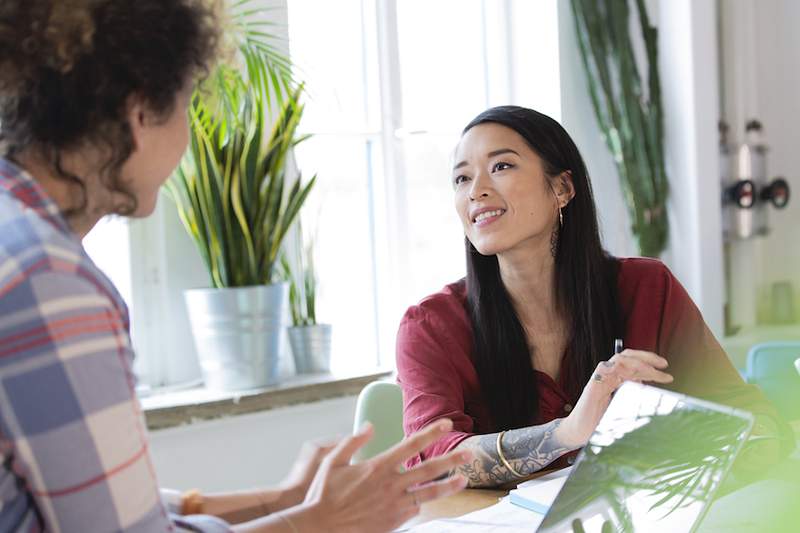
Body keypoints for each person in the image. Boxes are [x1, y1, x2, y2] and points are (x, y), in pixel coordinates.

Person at [0, 1, 470, 531]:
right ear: (139, 112)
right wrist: (321, 522)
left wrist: (282, 500)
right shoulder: (51, 283)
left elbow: (108, 508)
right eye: (184, 106)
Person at [396, 105, 794, 489]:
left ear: (563, 188)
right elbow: (437, 464)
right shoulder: (430, 327)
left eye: (501, 166)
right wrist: (566, 433)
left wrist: (682, 440)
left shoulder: (647, 288)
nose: (476, 191)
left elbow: (749, 418)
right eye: (461, 179)